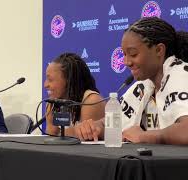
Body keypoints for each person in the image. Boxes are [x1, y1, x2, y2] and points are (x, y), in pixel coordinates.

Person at [77, 17, 188, 145]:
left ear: (159, 50)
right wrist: (96, 127)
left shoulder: (181, 76)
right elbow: (115, 122)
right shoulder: (144, 85)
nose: (127, 62)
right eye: (124, 54)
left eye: (133, 54)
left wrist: (146, 136)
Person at [44, 52, 105, 139]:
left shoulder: (91, 100)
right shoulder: (53, 102)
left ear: (68, 80)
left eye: (50, 79)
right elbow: (50, 137)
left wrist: (60, 134)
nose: (45, 85)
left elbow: (84, 139)